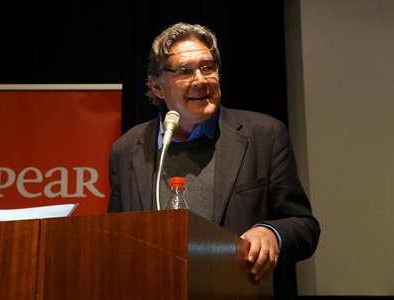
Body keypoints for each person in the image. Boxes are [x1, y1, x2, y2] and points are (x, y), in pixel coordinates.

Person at [107, 22, 320, 299]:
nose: (200, 79)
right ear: (157, 86)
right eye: (185, 71)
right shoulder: (127, 150)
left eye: (208, 67)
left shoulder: (263, 135)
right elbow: (114, 240)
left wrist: (271, 233)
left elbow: (305, 226)